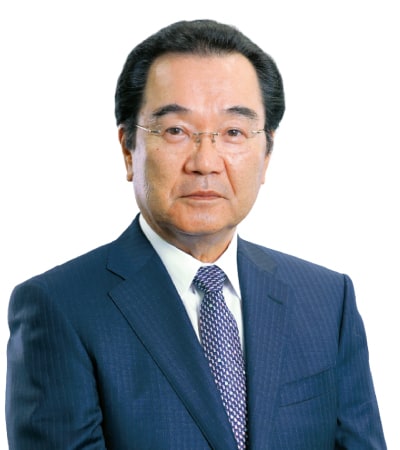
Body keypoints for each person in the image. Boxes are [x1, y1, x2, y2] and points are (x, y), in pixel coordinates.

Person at [6, 19, 386, 450]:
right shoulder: (59, 308)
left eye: (233, 132)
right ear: (129, 149)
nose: (205, 162)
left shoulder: (328, 300)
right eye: (176, 131)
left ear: (266, 154)